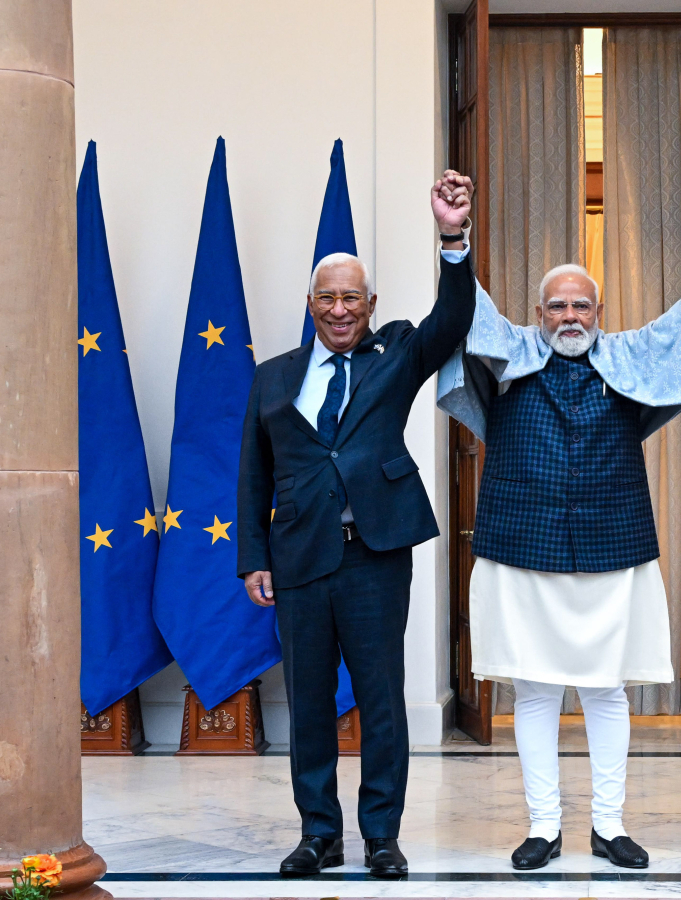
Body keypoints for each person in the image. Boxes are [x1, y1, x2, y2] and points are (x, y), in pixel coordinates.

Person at [437, 201, 681, 870]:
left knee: (608, 691)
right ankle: (543, 828)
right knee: (535, 691)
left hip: (614, 548)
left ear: (598, 313)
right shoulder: (511, 353)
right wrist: (455, 236)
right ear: (540, 313)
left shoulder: (632, 357)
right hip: (521, 547)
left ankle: (609, 827)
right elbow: (465, 308)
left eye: (582, 306)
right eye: (557, 307)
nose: (570, 317)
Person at [237, 171, 477, 878]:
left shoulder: (397, 351)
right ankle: (319, 834)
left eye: (352, 298)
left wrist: (452, 236)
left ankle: (380, 836)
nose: (340, 309)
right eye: (328, 298)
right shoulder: (274, 378)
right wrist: (254, 556)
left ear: (371, 304)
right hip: (300, 557)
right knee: (308, 703)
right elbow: (252, 472)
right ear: (309, 305)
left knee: (381, 702)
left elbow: (453, 318)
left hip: (375, 555)